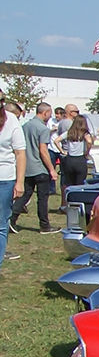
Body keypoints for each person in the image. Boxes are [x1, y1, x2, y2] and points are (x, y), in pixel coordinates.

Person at [13, 102, 59, 232]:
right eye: (50, 113)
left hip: (27, 166)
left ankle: (12, 219)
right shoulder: (43, 129)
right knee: (42, 198)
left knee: (25, 195)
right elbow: (43, 151)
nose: (51, 116)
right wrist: (51, 169)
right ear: (45, 113)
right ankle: (44, 225)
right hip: (40, 167)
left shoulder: (25, 126)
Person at [1, 100, 25, 251]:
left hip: (4, 178)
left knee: (1, 223)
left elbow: (20, 153)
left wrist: (20, 182)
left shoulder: (11, 121)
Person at [58, 114, 94, 195]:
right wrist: (87, 151)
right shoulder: (84, 133)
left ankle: (69, 202)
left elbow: (56, 140)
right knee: (80, 184)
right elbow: (89, 141)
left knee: (69, 184)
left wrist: (62, 151)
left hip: (70, 159)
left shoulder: (69, 132)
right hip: (80, 159)